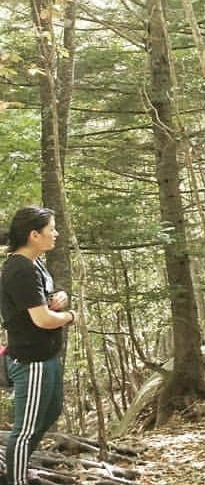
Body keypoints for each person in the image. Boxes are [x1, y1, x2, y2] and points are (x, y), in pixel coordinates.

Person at [0, 207, 76, 485]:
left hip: (48, 357)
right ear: (34, 235)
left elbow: (46, 299)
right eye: (51, 229)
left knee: (51, 412)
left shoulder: (36, 262)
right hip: (31, 362)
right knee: (25, 429)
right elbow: (43, 319)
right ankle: (15, 479)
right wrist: (71, 317)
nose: (55, 234)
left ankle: (17, 467)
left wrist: (61, 297)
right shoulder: (20, 269)